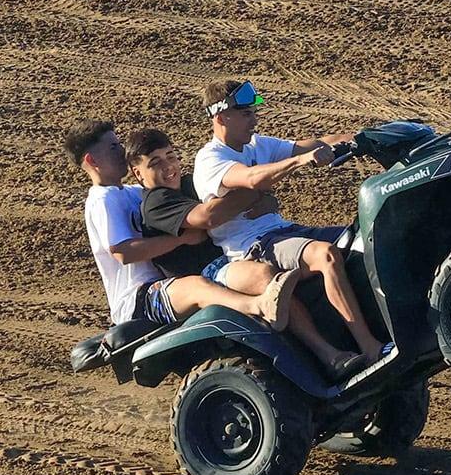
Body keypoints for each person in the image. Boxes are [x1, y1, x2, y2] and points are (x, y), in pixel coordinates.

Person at [191, 81, 387, 373]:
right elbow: (253, 178)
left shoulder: (256, 144)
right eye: (245, 114)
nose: (254, 119)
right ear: (221, 118)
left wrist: (372, 136)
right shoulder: (211, 159)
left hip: (285, 232)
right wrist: (298, 161)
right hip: (255, 247)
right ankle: (369, 347)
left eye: (252, 113)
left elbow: (316, 143)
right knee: (326, 255)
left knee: (367, 237)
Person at [126, 128, 352, 375]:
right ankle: (327, 354)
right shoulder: (157, 202)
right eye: (155, 163)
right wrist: (257, 186)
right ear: (138, 173)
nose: (168, 167)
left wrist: (263, 197)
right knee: (266, 277)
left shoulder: (190, 184)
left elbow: (237, 208)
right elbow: (209, 218)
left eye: (171, 156)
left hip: (230, 254)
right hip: (211, 269)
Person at [65, 119, 298, 332]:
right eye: (114, 147)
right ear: (92, 160)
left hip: (166, 283)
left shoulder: (136, 193)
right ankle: (258, 306)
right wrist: (182, 239)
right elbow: (123, 252)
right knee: (197, 286)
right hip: (138, 299)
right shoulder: (101, 199)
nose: (122, 151)